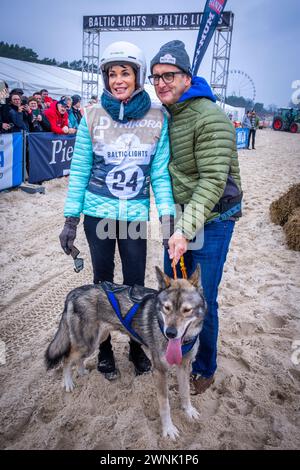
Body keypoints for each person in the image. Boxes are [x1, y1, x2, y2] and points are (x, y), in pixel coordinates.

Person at [59, 41, 175, 380]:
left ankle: (137, 347)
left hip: (135, 216)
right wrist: (70, 219)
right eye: (112, 73)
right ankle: (105, 351)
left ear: (137, 75)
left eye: (125, 72)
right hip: (99, 215)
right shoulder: (92, 115)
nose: (118, 80)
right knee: (103, 286)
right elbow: (79, 169)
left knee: (137, 286)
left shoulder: (157, 117)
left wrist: (167, 216)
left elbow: (159, 173)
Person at [150, 40, 242, 394]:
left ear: (187, 77)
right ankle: (176, 354)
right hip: (180, 220)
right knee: (172, 296)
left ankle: (204, 368)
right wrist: (172, 224)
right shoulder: (168, 115)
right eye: (156, 77)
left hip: (214, 220)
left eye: (169, 75)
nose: (161, 83)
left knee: (202, 298)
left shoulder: (211, 117)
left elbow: (213, 181)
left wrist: (184, 231)